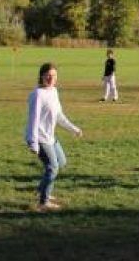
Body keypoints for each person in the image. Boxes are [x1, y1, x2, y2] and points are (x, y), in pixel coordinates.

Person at [25, 62, 83, 212]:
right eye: (48, 75)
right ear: (41, 76)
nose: (51, 78)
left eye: (54, 75)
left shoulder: (54, 91)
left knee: (61, 162)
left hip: (50, 137)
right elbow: (34, 119)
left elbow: (59, 116)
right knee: (52, 167)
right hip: (40, 138)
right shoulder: (38, 94)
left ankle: (43, 189)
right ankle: (43, 202)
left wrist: (73, 129)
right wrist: (33, 143)